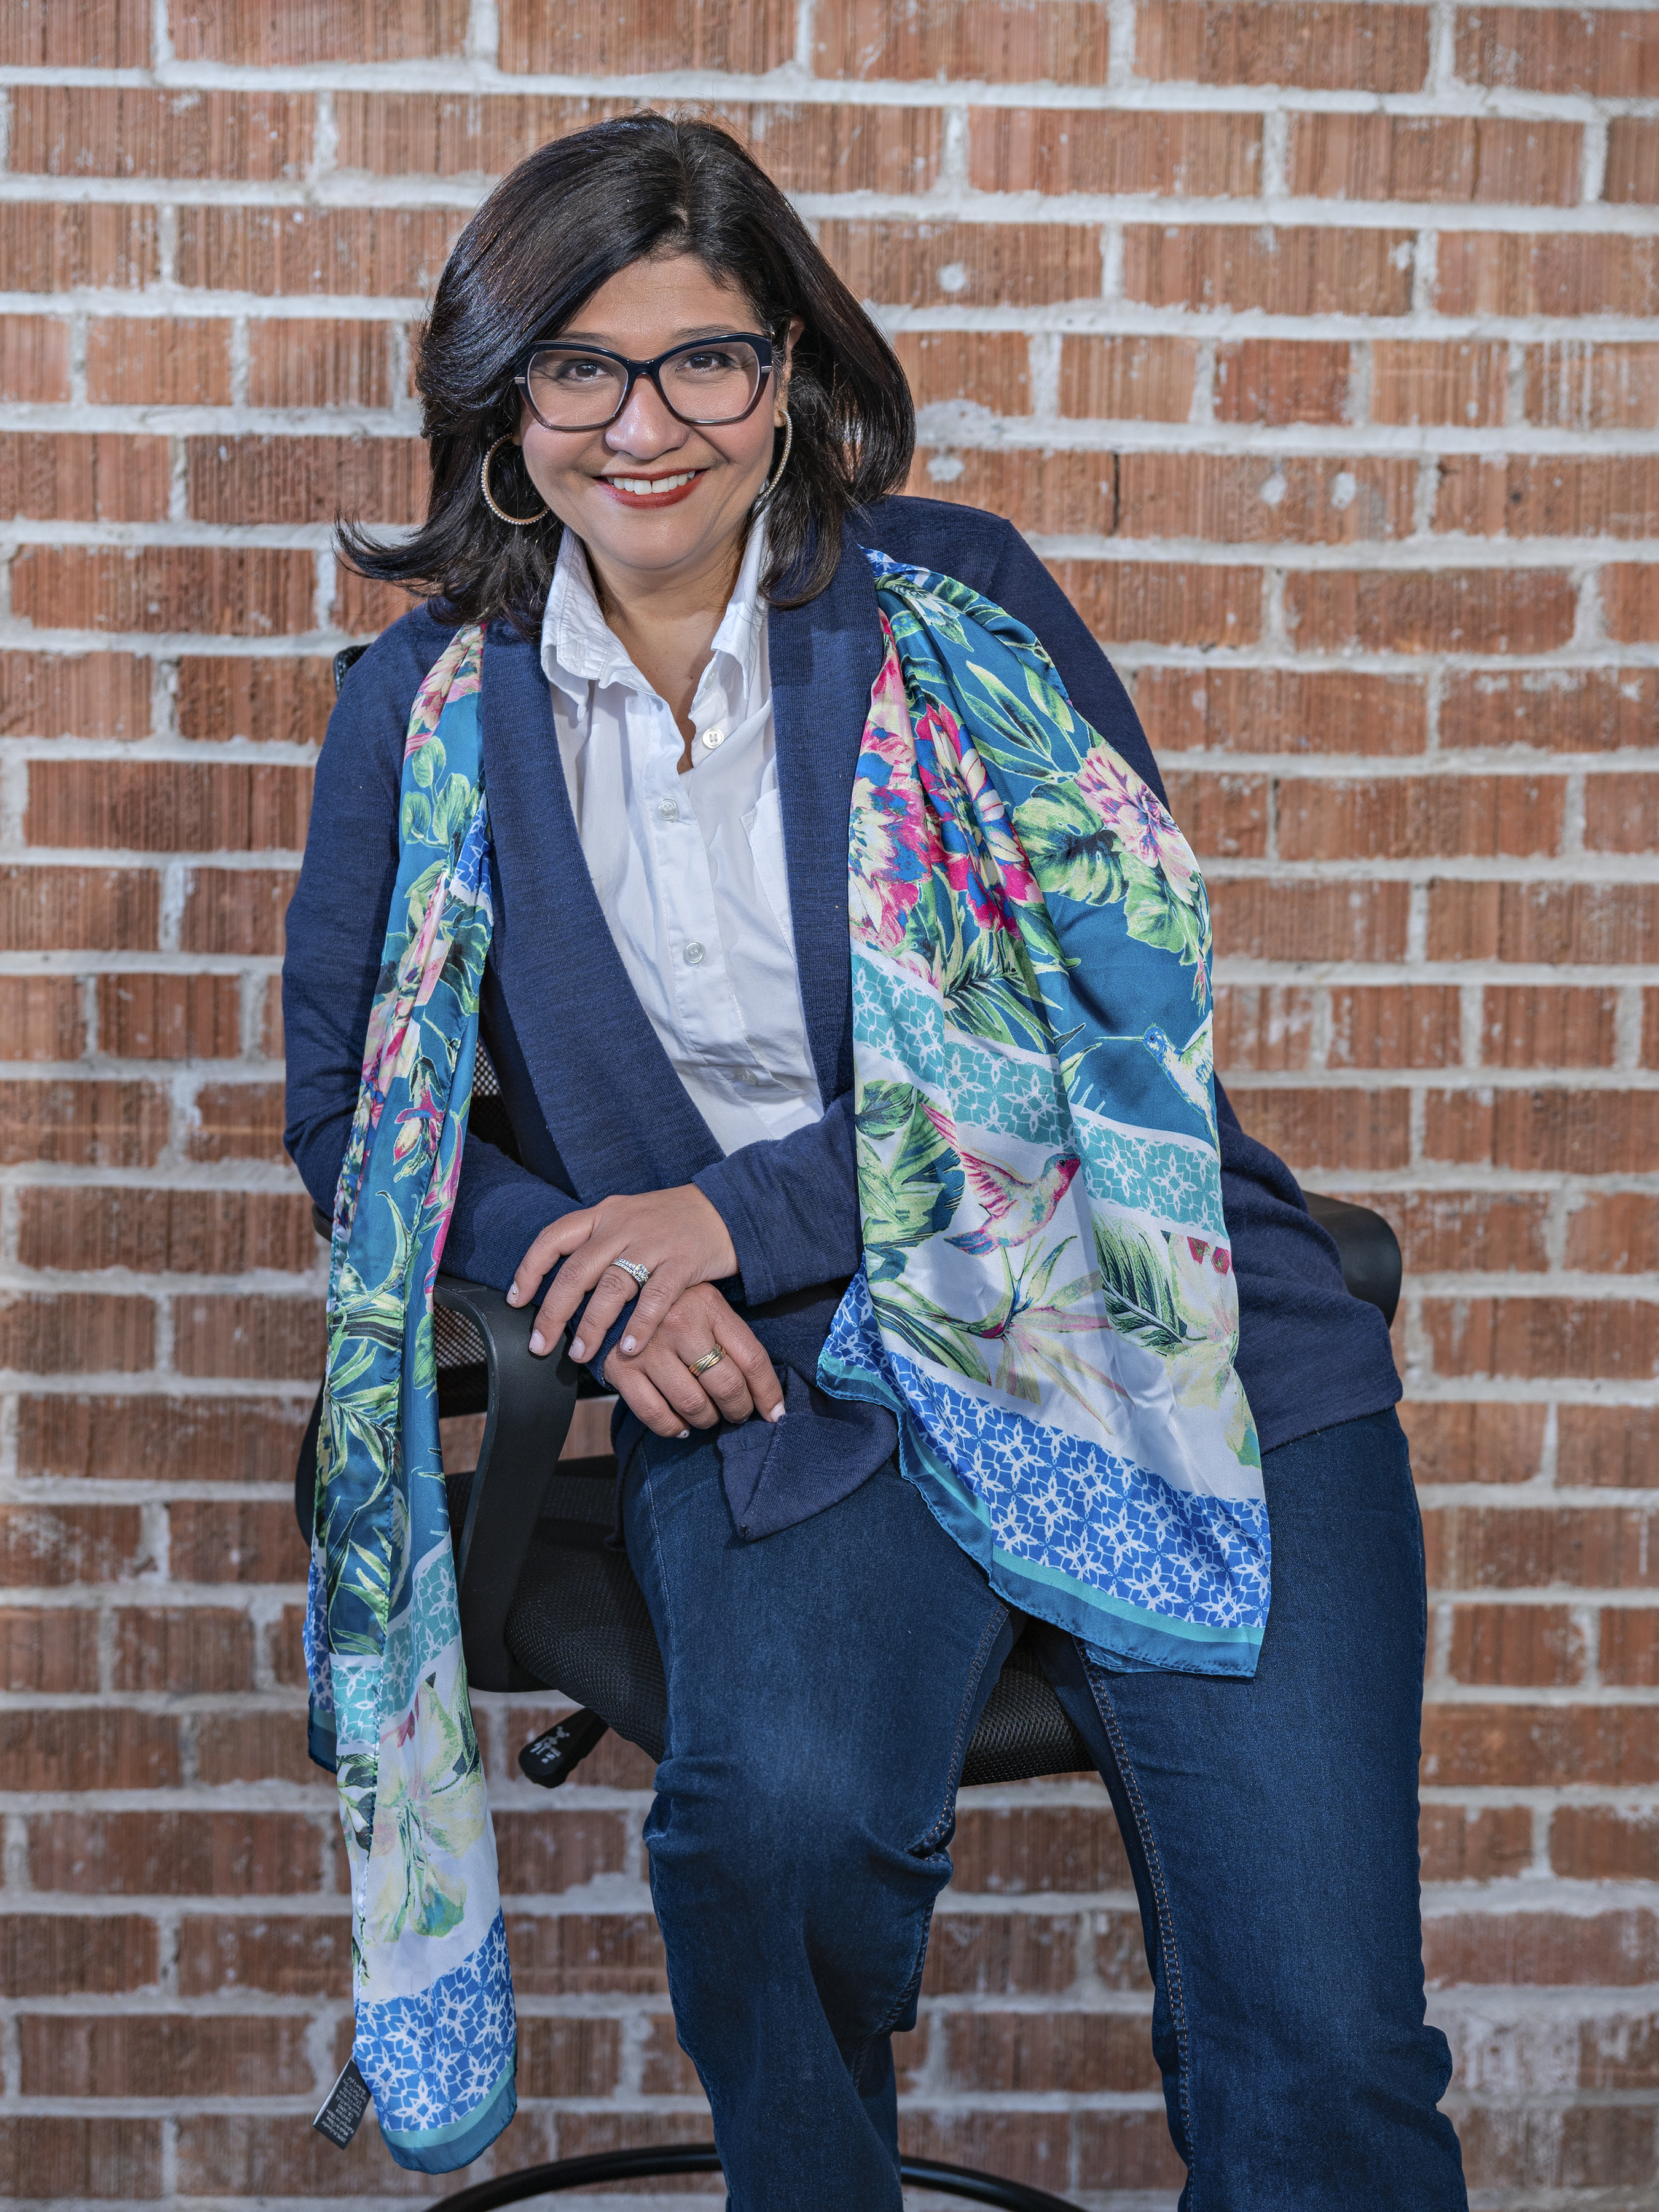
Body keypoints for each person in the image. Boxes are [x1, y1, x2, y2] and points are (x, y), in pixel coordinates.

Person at [284, 114, 1466, 2212]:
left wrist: (717, 1218)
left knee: (1325, 2040)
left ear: (789, 376)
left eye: (703, 359)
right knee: (775, 1836)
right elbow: (356, 1120)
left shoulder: (960, 607)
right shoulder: (423, 707)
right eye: (579, 366)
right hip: (785, 1380)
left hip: (1153, 1330)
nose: (643, 424)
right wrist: (593, 1276)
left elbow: (1104, 1030)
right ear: (502, 403)